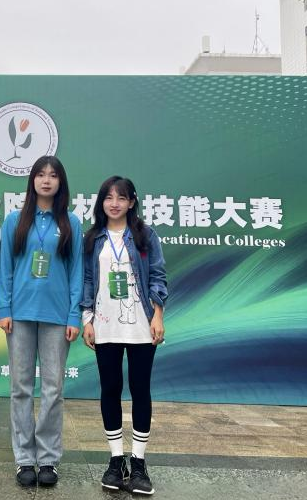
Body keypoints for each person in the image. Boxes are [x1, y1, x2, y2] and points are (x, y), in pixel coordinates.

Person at [0, 155, 83, 487]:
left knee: (52, 389)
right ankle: (24, 459)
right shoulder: (14, 220)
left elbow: (77, 270)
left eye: (53, 175)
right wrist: (4, 309)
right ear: (32, 180)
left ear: (61, 182)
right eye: (41, 174)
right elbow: (5, 267)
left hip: (57, 316)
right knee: (20, 387)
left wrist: (74, 314)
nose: (47, 180)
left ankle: (47, 458)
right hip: (19, 315)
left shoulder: (70, 222)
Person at [80, 176, 167, 495]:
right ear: (101, 202)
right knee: (110, 389)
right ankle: (116, 461)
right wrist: (87, 319)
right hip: (105, 325)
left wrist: (157, 315)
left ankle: (139, 463)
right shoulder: (93, 238)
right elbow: (88, 280)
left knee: (140, 389)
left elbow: (158, 276)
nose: (114, 203)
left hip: (142, 324)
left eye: (121, 198)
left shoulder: (145, 235)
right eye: (108, 197)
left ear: (131, 202)